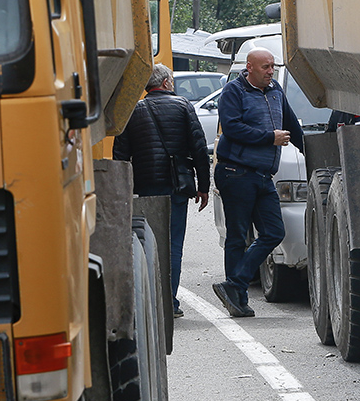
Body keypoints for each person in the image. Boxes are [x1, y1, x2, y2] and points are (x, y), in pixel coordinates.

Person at [212, 48, 304, 317]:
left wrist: (310, 154)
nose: (270, 71)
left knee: (274, 232)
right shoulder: (234, 92)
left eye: (273, 66)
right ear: (249, 67)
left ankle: (234, 284)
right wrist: (268, 137)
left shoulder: (275, 91)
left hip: (264, 176)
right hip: (236, 172)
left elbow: (293, 127)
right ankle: (238, 300)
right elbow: (232, 128)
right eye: (265, 67)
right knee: (237, 235)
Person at [113, 64, 210, 318]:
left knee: (149, 244)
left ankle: (151, 301)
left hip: (146, 188)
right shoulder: (183, 106)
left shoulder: (132, 110)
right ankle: (170, 303)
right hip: (177, 186)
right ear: (166, 83)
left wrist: (124, 189)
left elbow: (120, 154)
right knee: (173, 245)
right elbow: (199, 148)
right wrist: (204, 187)